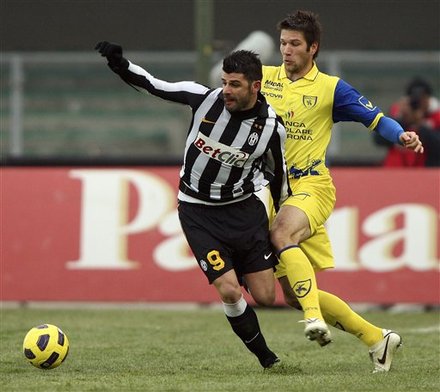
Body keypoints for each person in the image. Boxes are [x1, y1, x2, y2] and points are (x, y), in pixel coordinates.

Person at [95, 42, 291, 369]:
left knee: (266, 296)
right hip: (198, 213)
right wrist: (120, 64)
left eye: (235, 84)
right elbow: (154, 85)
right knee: (229, 291)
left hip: (244, 211)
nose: (226, 89)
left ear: (255, 86)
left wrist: (281, 218)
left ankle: (246, 263)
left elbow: (278, 175)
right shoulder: (203, 99)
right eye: (225, 81)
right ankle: (268, 359)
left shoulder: (271, 128)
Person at [260, 10, 424, 373]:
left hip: (311, 185)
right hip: (271, 190)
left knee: (280, 233)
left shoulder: (331, 89)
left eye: (295, 44)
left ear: (313, 48)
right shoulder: (264, 79)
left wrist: (401, 136)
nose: (286, 50)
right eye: (283, 43)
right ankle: (377, 338)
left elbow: (377, 119)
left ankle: (314, 320)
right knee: (290, 294)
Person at [374, 77, 440, 167]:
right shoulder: (398, 113)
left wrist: (420, 125)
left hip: (426, 171)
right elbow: (378, 139)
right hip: (394, 170)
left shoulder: (436, 117)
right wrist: (401, 121)